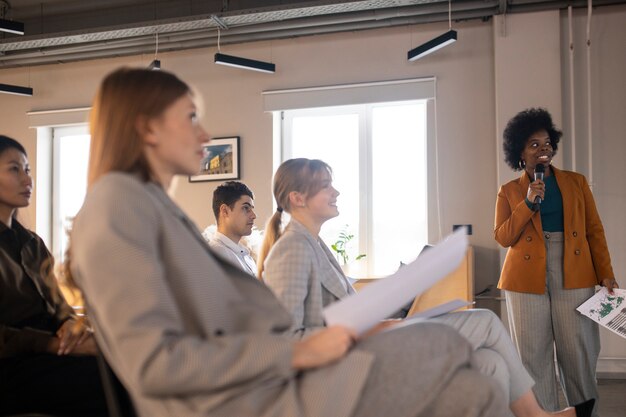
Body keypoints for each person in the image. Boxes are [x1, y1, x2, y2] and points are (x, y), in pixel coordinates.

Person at [67, 67, 509, 417]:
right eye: (191, 117)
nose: (204, 135)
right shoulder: (118, 208)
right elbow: (156, 364)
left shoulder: (150, 207)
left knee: (477, 383)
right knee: (444, 345)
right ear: (147, 128)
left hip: (263, 381)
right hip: (243, 400)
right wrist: (297, 350)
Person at [259, 157, 595, 417]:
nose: (336, 192)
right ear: (297, 198)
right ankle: (535, 415)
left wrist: (385, 319)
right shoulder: (291, 249)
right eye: (326, 186)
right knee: (485, 321)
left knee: (490, 363)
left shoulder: (314, 244)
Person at [495, 108, 619, 417]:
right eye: (534, 145)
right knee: (531, 356)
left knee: (578, 351)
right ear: (520, 153)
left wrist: (606, 273)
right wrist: (527, 203)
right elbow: (503, 237)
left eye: (547, 143)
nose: (543, 150)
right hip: (525, 277)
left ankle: (585, 413)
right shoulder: (509, 191)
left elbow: (594, 230)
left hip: (574, 269)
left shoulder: (576, 183)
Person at [0, 135, 107, 416]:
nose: (27, 180)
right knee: (104, 379)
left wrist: (73, 328)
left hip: (50, 351)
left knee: (133, 364)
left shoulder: (32, 243)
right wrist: (50, 344)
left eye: (28, 170)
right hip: (13, 364)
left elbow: (60, 308)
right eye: (14, 169)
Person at [207, 180, 258, 275]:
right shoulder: (218, 254)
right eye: (246, 208)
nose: (254, 215)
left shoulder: (245, 254)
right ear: (225, 211)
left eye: (252, 209)